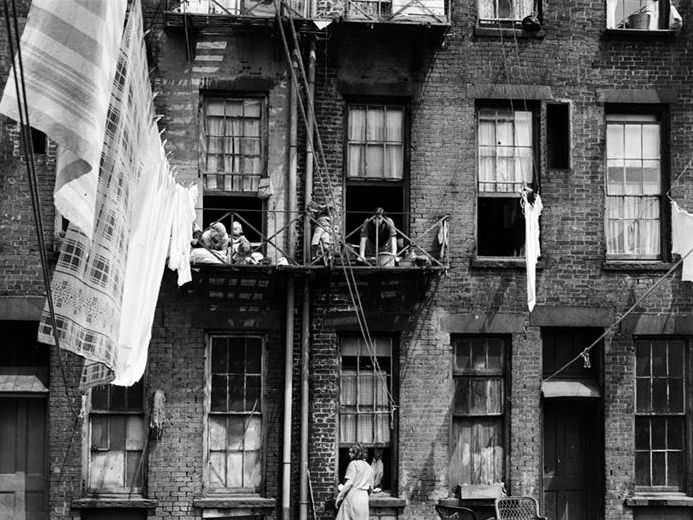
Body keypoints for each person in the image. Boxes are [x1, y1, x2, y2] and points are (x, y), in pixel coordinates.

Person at [336, 443, 372, 520]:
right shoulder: (369, 467)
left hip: (353, 496)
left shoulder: (353, 464)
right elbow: (370, 487)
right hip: (364, 499)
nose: (349, 454)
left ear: (357, 453)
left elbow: (349, 483)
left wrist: (340, 496)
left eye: (352, 452)